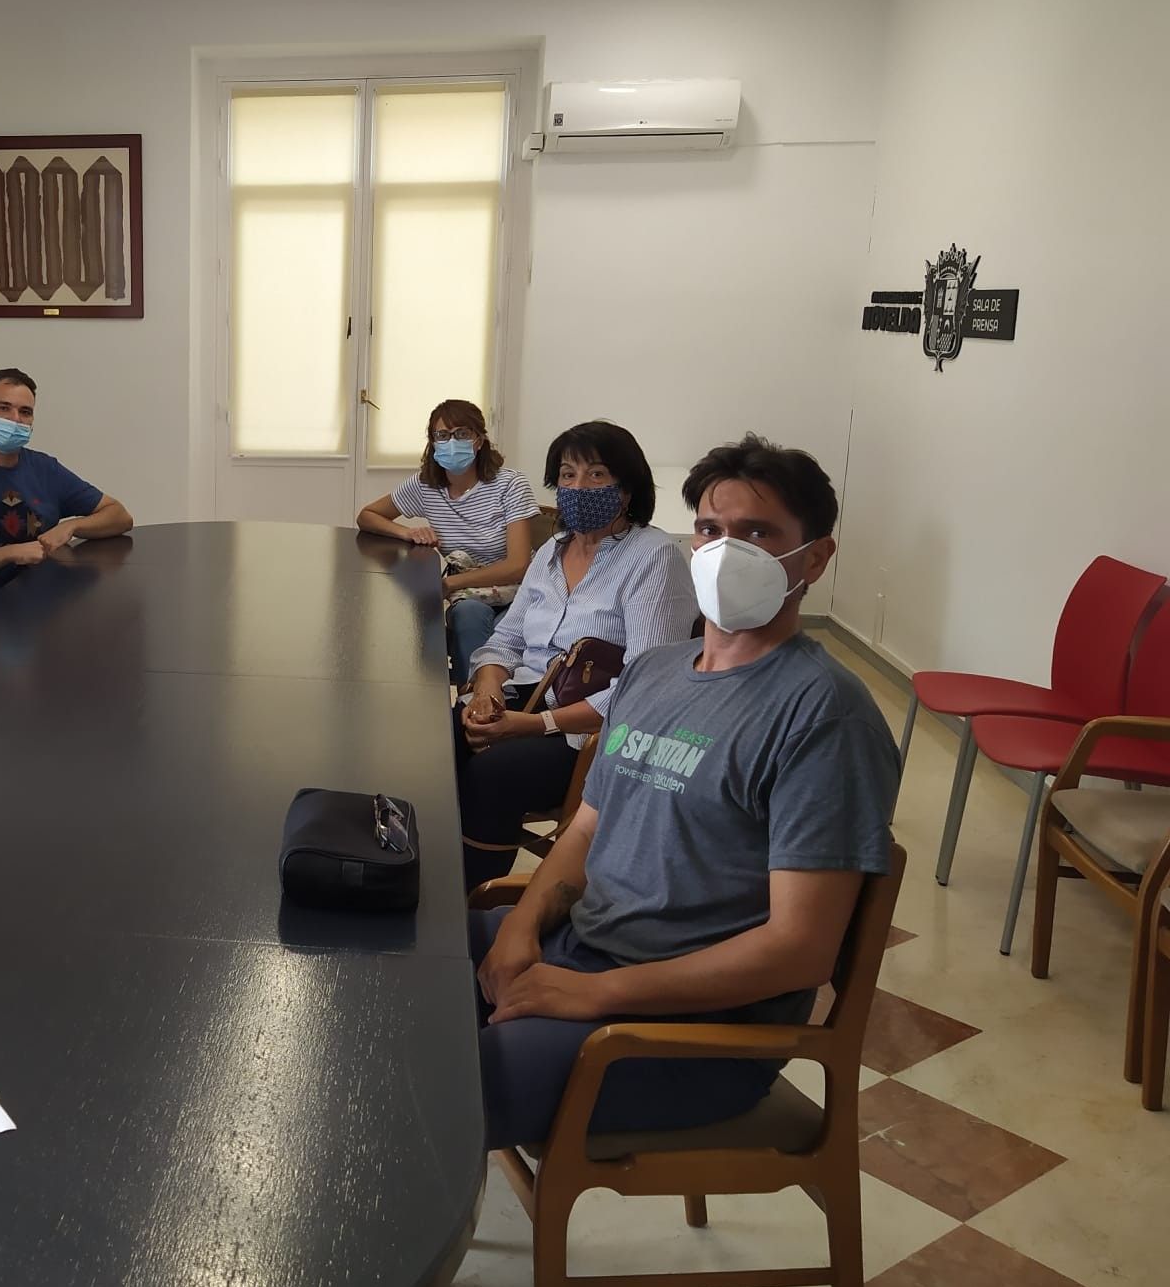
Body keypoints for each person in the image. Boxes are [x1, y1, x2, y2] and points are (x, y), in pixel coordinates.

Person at [467, 433, 898, 1149]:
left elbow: (799, 950)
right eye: (710, 529)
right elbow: (585, 830)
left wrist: (596, 994)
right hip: (587, 944)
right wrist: (522, 925)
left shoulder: (824, 716)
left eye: (757, 534)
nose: (726, 551)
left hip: (692, 1030)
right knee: (401, 977)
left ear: (816, 557)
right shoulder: (654, 671)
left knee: (444, 1089)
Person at [457, 420, 698, 888]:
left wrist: (534, 725)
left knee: (492, 772)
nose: (579, 486)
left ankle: (470, 898)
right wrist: (487, 693)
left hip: (589, 732)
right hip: (526, 699)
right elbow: (505, 640)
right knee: (440, 738)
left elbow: (644, 688)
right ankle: (417, 868)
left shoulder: (653, 557)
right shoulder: (552, 551)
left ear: (626, 489)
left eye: (597, 474)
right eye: (568, 475)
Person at [357, 399, 540, 685]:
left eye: (462, 434)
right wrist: (408, 532)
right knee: (468, 615)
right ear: (432, 442)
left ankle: (499, 697)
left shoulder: (511, 484)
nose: (451, 442)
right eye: (442, 435)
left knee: (505, 633)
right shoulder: (425, 485)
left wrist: (450, 584)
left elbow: (518, 565)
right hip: (469, 594)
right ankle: (472, 699)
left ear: (479, 440)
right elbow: (367, 515)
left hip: (518, 589)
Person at [0, 367, 133, 599]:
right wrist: (10, 554)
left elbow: (119, 516)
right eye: (4, 408)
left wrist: (72, 526)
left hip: (45, 599)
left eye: (25, 412)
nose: (15, 419)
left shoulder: (45, 469)